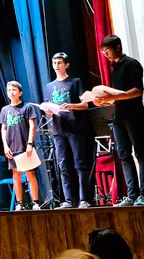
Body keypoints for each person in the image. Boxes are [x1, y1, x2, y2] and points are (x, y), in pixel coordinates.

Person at [96, 35, 144, 206]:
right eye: (103, 51)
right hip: (118, 117)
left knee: (140, 152)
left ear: (117, 47)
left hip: (134, 115)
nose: (105, 54)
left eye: (107, 50)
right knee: (123, 155)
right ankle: (132, 194)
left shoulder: (132, 64)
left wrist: (118, 95)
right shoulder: (115, 68)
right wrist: (105, 101)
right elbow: (117, 96)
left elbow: (137, 91)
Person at [42, 52, 95, 209]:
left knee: (80, 164)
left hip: (75, 128)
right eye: (55, 63)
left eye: (60, 63)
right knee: (63, 165)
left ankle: (84, 198)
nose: (57, 66)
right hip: (58, 129)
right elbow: (47, 108)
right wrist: (48, 110)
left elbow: (85, 105)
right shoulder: (49, 86)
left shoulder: (75, 82)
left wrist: (71, 106)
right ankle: (69, 200)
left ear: (66, 65)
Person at [0, 81, 41, 211]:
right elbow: (3, 129)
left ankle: (35, 202)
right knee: (16, 175)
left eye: (14, 90)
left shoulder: (27, 107)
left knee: (30, 174)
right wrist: (5, 146)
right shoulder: (5, 110)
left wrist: (30, 144)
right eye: (9, 90)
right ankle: (20, 203)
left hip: (24, 145)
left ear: (20, 93)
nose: (11, 92)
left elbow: (32, 126)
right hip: (12, 146)